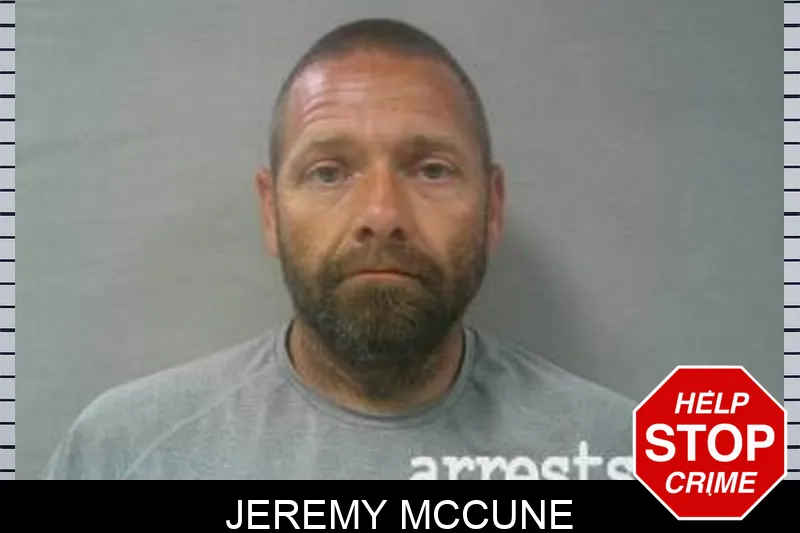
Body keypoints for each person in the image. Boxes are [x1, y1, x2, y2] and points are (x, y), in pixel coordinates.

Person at [44, 18, 636, 480]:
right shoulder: (122, 450)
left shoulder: (624, 453)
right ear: (271, 212)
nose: (381, 215)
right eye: (329, 172)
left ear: (493, 208)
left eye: (432, 169)